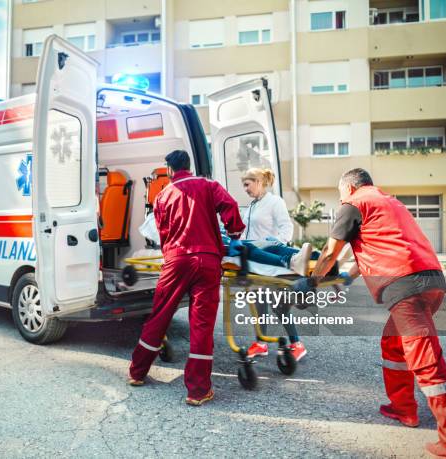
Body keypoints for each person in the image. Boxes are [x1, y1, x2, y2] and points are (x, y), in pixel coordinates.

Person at [308, 168, 446, 458]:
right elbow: (372, 250)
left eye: (339, 193)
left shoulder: (353, 204)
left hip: (405, 286)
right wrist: (344, 279)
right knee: (393, 344)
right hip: (430, 281)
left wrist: (312, 282)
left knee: (427, 363)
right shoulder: (388, 203)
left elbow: (330, 252)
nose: (340, 199)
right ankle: (403, 408)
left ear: (349, 187)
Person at [128, 150, 245, 406]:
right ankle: (198, 391)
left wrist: (172, 252)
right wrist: (234, 231)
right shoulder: (208, 185)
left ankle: (137, 373)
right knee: (201, 324)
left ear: (169, 169)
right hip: (208, 259)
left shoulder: (162, 196)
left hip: (177, 260)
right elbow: (230, 207)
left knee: (160, 315)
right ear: (188, 166)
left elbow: (163, 232)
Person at [238, 167, 311, 362]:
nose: (245, 189)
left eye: (247, 184)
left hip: (271, 259)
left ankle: (296, 344)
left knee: (279, 306)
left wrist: (275, 243)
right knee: (258, 304)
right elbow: (247, 233)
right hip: (256, 262)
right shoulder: (252, 205)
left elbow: (286, 228)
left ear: (259, 182)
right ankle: (261, 343)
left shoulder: (275, 202)